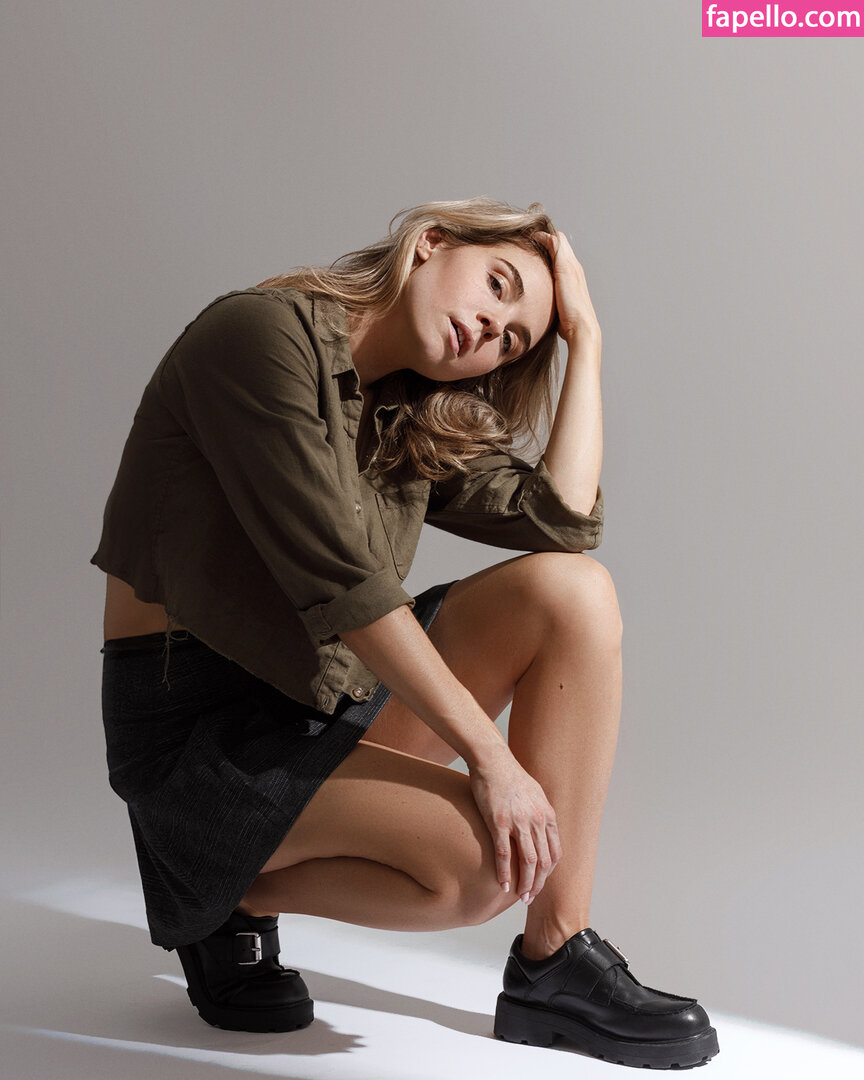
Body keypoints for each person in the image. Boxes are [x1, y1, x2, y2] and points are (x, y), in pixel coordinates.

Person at [92, 198, 719, 1069]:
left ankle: (556, 960)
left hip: (320, 695)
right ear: (430, 243)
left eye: (514, 341)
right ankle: (216, 889)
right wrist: (493, 762)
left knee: (573, 593)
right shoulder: (257, 337)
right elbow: (344, 584)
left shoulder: (411, 409)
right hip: (200, 733)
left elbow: (563, 521)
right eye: (497, 286)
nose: (492, 329)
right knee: (486, 867)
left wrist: (587, 341)